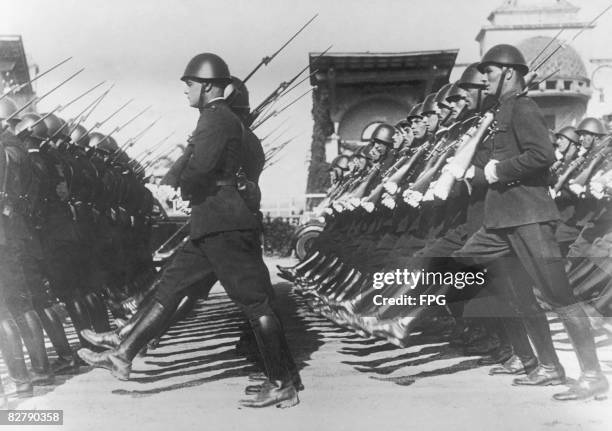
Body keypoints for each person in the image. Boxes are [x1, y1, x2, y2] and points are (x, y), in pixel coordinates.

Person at [78, 52, 300, 408]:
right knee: (170, 286)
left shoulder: (214, 119)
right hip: (214, 224)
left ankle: (281, 382)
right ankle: (122, 353)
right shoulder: (224, 121)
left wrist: (183, 188)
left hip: (221, 226)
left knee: (256, 304)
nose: (186, 91)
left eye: (190, 84)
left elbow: (199, 171)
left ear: (208, 87)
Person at [452, 43, 608, 401]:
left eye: (489, 72)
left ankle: (592, 375)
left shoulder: (523, 108)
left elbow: (543, 154)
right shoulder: (502, 110)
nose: (485, 78)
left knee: (559, 297)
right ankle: (549, 367)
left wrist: (498, 171)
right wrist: (480, 172)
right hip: (501, 221)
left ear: (507, 72)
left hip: (530, 219)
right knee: (464, 267)